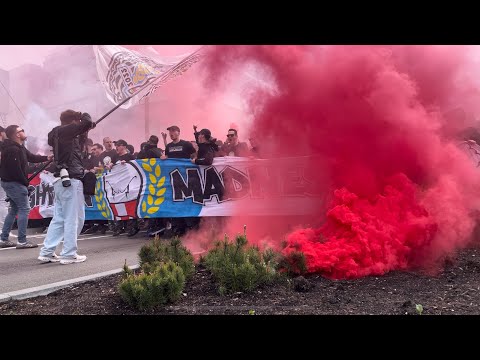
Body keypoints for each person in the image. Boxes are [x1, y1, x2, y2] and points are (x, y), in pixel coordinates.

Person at [38, 110, 95, 264]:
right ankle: (69, 254)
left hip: (60, 179)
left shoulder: (56, 133)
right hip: (71, 179)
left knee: (59, 218)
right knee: (74, 218)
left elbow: (86, 127)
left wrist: (85, 128)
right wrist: (84, 116)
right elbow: (87, 123)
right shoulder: (68, 130)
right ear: (74, 121)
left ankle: (47, 251)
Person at [0, 125, 52, 248]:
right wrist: (25, 184)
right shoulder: (13, 149)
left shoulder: (19, 148)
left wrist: (47, 158)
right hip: (14, 183)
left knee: (13, 210)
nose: (24, 132)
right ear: (17, 135)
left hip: (12, 183)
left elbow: (32, 157)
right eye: (21, 130)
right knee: (24, 209)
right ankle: (22, 241)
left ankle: (3, 239)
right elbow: (16, 170)